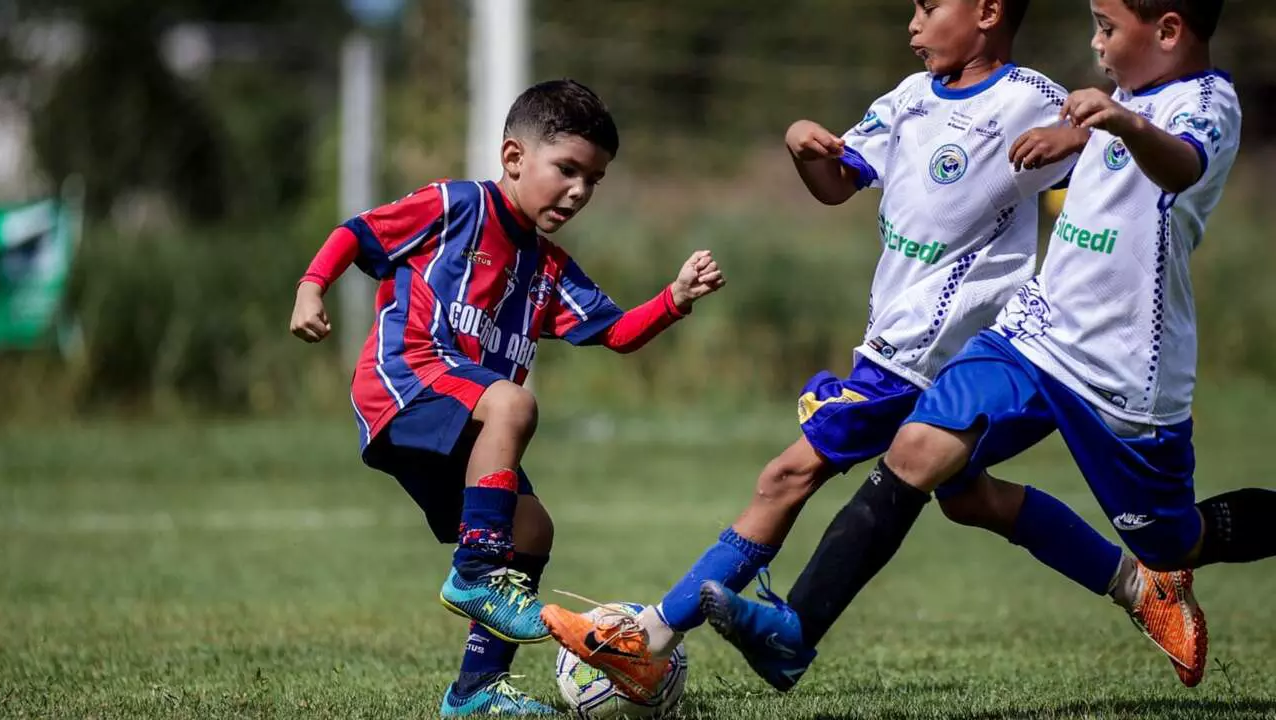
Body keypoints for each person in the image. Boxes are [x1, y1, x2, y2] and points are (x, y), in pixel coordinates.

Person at [540, 0, 1157, 701]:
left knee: (786, 476)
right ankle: (1136, 583)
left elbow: (1115, 125)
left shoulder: (1031, 98)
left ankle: (649, 638)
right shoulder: (907, 100)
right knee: (970, 499)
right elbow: (839, 183)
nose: (913, 23)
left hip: (927, 358)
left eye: (931, 6)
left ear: (988, 11)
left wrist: (1069, 139)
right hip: (895, 347)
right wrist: (805, 149)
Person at [702, 0, 1267, 693]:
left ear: (1171, 31)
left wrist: (1112, 122)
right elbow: (1112, 149)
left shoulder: (1208, 102)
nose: (1095, 43)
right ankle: (794, 633)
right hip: (1033, 333)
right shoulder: (1127, 96)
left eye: (1108, 28)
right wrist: (1079, 138)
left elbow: (1179, 166)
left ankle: (1155, 577)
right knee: (916, 451)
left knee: (1173, 541)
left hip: (1125, 373)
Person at [289, 78, 725, 716]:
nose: (579, 191)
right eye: (568, 169)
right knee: (513, 404)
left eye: (594, 180)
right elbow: (357, 233)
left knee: (534, 528)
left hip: (467, 415)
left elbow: (617, 331)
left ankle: (474, 693)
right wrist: (311, 285)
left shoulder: (549, 268)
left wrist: (674, 299)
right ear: (514, 158)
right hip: (406, 380)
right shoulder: (455, 206)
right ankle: (476, 574)